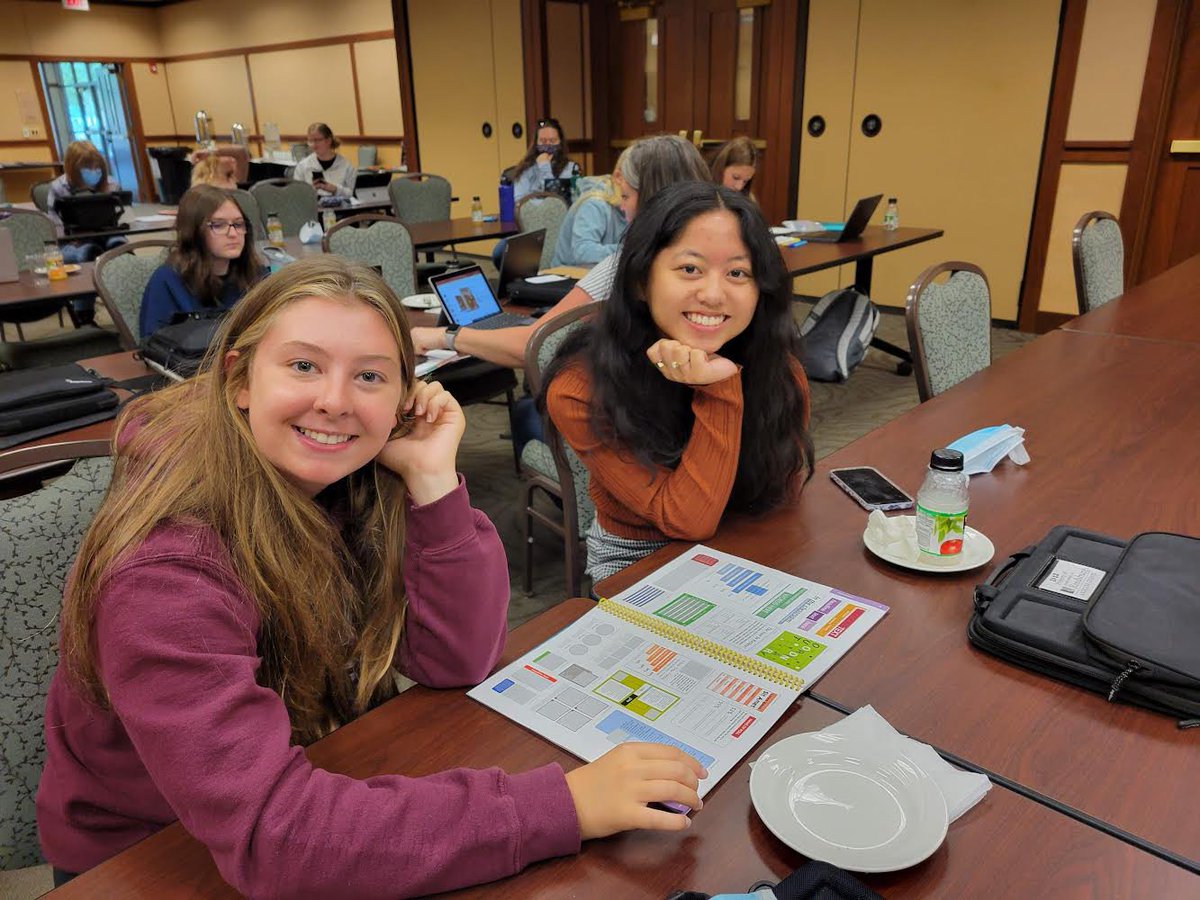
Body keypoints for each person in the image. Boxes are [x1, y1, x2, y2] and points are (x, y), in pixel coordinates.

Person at [37, 256, 706, 896]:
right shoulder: (168, 572)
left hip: (295, 777)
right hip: (150, 857)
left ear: (405, 397)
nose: (335, 401)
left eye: (370, 377)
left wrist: (432, 480)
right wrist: (560, 807)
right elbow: (276, 836)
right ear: (239, 379)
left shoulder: (343, 483)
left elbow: (456, 659)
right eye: (303, 365)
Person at [541, 182, 814, 580]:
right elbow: (686, 520)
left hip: (747, 537)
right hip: (641, 557)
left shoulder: (779, 370)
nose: (713, 295)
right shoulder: (581, 387)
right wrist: (718, 389)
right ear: (641, 280)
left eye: (737, 272)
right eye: (690, 269)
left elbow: (782, 496)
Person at [412, 134, 711, 369]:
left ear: (650, 199)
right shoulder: (720, 264)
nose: (623, 207)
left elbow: (535, 343)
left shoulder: (626, 265)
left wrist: (447, 336)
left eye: (626, 196)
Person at [139, 185, 264, 338]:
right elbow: (155, 344)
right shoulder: (167, 281)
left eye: (238, 224)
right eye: (218, 225)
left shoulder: (255, 273)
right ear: (194, 231)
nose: (233, 233)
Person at [550, 171, 626, 266]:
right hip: (569, 271)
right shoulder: (594, 204)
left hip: (604, 270)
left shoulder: (636, 206)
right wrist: (628, 250)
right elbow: (584, 252)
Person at [508, 116, 581, 203]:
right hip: (531, 211)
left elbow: (556, 201)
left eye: (552, 141)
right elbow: (519, 202)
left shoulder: (571, 169)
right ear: (536, 143)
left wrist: (545, 167)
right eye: (543, 141)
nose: (548, 145)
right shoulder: (526, 168)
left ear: (560, 143)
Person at [291, 122, 356, 198]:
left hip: (339, 204)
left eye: (317, 140)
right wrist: (310, 190)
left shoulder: (346, 165)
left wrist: (335, 189)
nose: (313, 145)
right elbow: (296, 194)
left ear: (328, 140)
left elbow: (352, 194)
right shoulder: (303, 166)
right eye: (310, 141)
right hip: (313, 204)